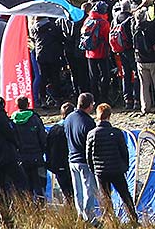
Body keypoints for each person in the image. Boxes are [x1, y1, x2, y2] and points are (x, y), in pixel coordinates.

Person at [86, 104, 139, 223]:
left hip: (101, 172)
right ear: (109, 116)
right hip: (116, 170)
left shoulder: (92, 134)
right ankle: (133, 219)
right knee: (125, 195)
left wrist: (94, 170)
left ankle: (110, 220)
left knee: (106, 198)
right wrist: (124, 166)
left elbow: (89, 155)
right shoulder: (116, 132)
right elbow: (124, 151)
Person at [64, 92, 100, 221]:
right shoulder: (88, 121)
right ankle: (89, 217)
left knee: (78, 190)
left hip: (72, 159)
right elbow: (91, 144)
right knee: (88, 190)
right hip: (84, 160)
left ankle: (80, 215)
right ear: (89, 105)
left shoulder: (68, 118)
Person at [12, 96, 48, 199]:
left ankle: (29, 207)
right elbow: (42, 137)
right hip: (37, 156)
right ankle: (41, 207)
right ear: (28, 104)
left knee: (26, 186)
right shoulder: (35, 118)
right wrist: (43, 150)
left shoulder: (13, 121)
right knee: (40, 185)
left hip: (21, 157)